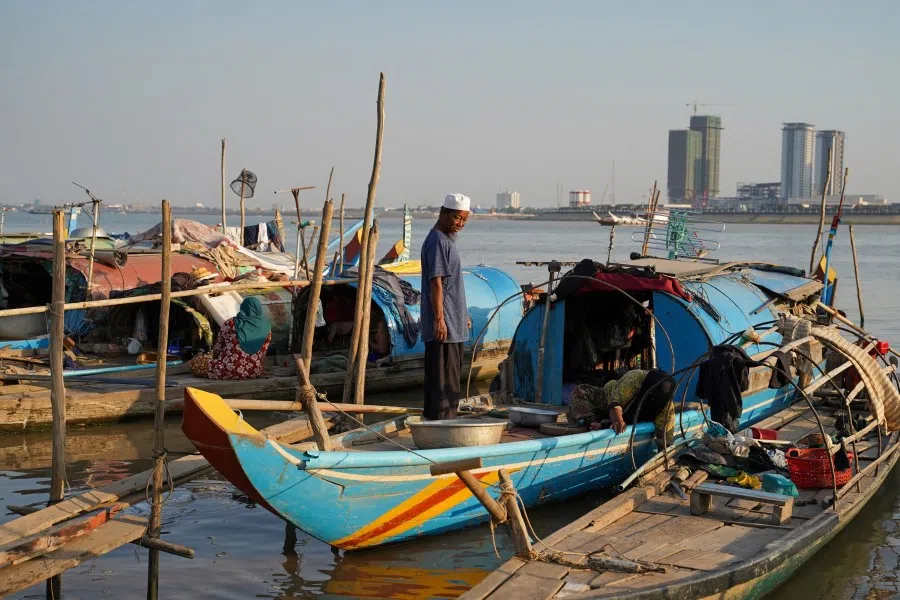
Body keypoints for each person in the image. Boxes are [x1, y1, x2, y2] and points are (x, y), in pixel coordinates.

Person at [420, 193, 471, 420]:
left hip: (453, 322)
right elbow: (436, 283)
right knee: (442, 384)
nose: (459, 224)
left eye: (463, 220)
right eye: (456, 218)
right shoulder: (439, 242)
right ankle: (442, 428)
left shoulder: (446, 241)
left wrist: (464, 314)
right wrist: (439, 320)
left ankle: (442, 426)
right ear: (443, 213)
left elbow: (452, 285)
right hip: (445, 327)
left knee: (447, 381)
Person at [567, 368, 675, 444]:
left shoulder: (665, 404)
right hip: (606, 402)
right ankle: (591, 423)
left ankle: (599, 424)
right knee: (580, 391)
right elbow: (615, 403)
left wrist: (663, 453)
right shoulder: (636, 377)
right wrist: (617, 420)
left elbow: (666, 435)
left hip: (628, 419)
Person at [189, 297, 272, 380]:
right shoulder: (267, 327)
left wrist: (214, 361)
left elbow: (218, 348)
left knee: (195, 363)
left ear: (243, 307)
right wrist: (260, 369)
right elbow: (263, 353)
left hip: (227, 370)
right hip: (253, 371)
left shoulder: (231, 323)